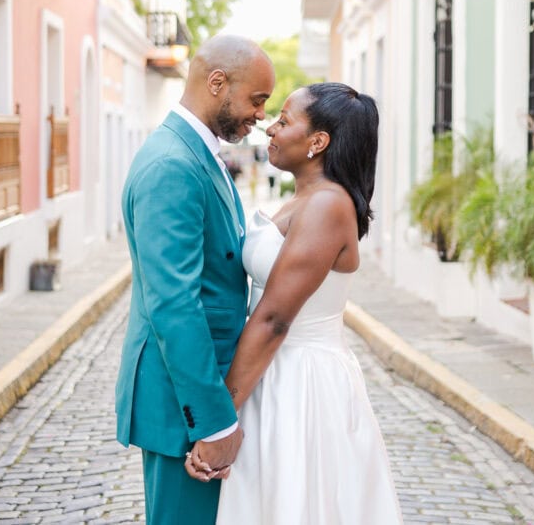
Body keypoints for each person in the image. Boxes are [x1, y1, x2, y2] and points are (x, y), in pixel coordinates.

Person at [186, 83, 403, 524]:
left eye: (284, 121)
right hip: (269, 373)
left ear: (318, 142)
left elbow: (273, 319)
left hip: (302, 383)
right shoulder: (305, 198)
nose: (270, 127)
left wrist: (218, 420)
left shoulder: (328, 205)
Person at [115, 35, 275, 525]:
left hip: (200, 388)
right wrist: (213, 420)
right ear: (217, 83)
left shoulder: (198, 154)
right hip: (182, 402)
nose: (260, 116)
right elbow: (175, 305)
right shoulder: (172, 166)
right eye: (257, 100)